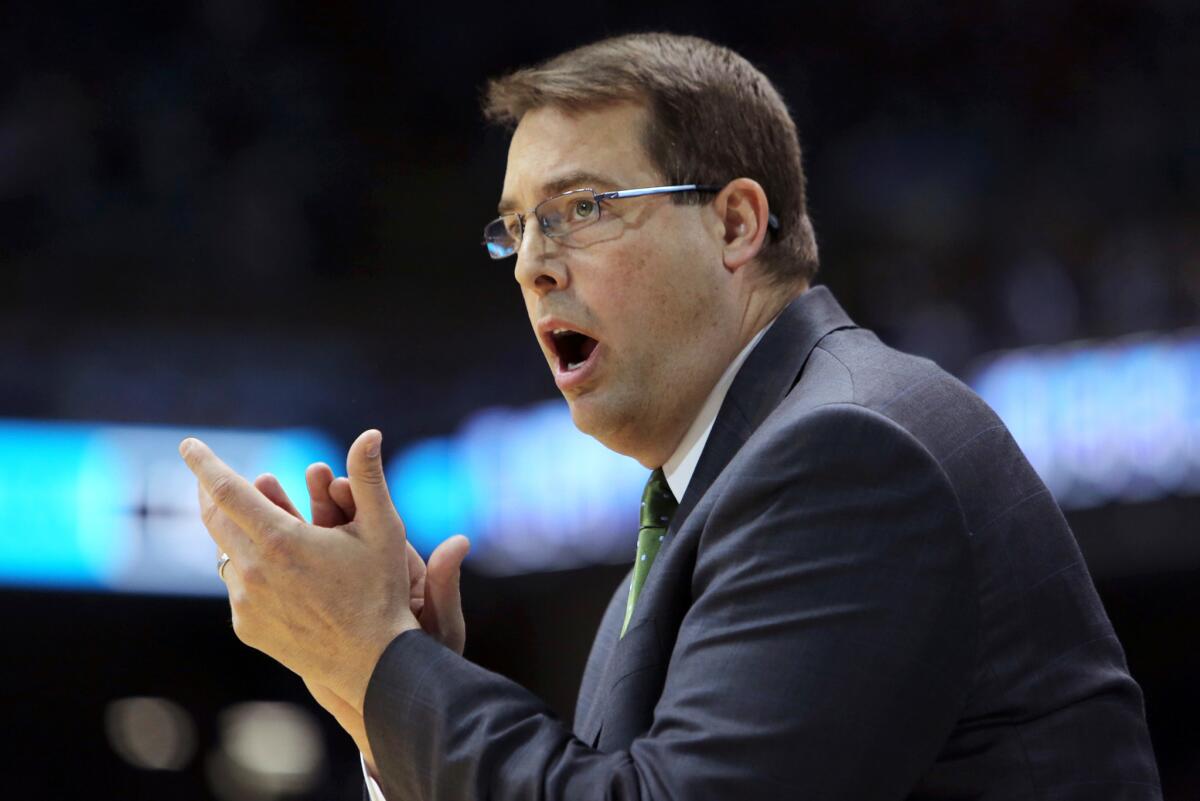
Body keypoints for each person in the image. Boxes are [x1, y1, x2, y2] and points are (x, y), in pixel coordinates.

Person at [181, 33, 1162, 800]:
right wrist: (386, 690)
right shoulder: (706, 511)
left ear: (736, 224)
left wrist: (376, 658)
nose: (532, 264)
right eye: (516, 228)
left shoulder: (848, 456)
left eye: (582, 209)